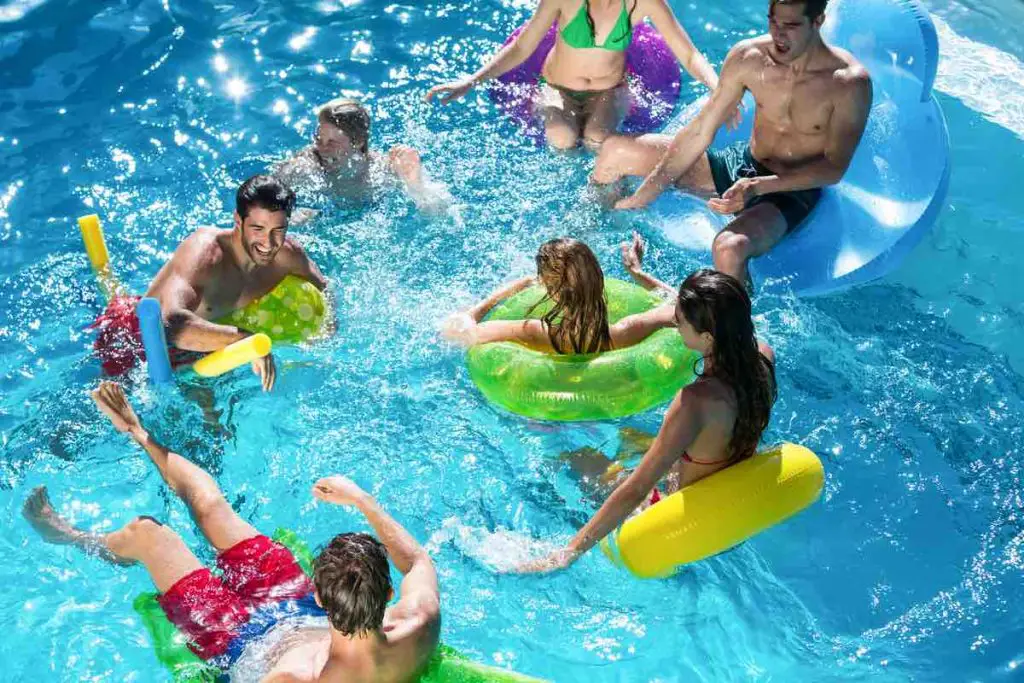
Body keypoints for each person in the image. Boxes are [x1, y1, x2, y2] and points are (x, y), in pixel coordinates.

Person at [24, 381, 441, 683]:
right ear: (388, 594)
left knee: (148, 534)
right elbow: (418, 561)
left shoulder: (297, 678)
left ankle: (68, 536)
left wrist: (361, 501)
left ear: (319, 590)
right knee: (209, 505)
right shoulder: (417, 625)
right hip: (293, 605)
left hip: (238, 641)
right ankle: (137, 432)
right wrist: (361, 500)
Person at [514, 269, 778, 573]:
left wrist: (567, 553)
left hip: (675, 514)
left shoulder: (695, 402)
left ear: (706, 337)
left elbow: (637, 488)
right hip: (723, 490)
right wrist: (641, 276)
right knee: (628, 435)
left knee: (574, 457)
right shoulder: (762, 358)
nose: (675, 324)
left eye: (681, 322)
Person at [593, 0, 872, 286]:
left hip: (790, 188)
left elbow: (834, 168)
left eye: (791, 25)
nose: (779, 34)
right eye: (773, 21)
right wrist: (645, 195)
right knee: (615, 151)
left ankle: (736, 324)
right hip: (742, 164)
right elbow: (701, 129)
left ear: (818, 21)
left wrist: (758, 187)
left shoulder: (847, 83)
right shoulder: (749, 57)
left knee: (728, 248)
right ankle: (597, 238)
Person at [91, 175, 328, 391]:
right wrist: (245, 340)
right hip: (138, 340)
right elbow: (169, 323)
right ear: (238, 220)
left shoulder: (288, 255)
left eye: (278, 229)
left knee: (220, 431)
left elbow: (324, 288)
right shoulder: (205, 252)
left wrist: (325, 336)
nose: (268, 243)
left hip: (202, 347)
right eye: (258, 229)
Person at [424, 0, 727, 150]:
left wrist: (719, 88)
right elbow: (522, 47)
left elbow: (688, 53)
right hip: (556, 88)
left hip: (610, 89)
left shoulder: (641, 2)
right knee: (561, 137)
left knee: (599, 139)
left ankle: (600, 213)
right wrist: (472, 80)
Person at [442, 236, 671, 353]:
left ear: (551, 291)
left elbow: (456, 332)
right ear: (599, 281)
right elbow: (683, 303)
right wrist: (638, 273)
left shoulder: (533, 332)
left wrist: (477, 308)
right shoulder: (626, 332)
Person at [274, 98, 450, 213]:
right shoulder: (302, 168)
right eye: (319, 139)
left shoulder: (385, 171)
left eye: (332, 143)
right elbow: (260, 203)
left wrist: (415, 183)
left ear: (358, 142)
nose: (322, 149)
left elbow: (439, 214)